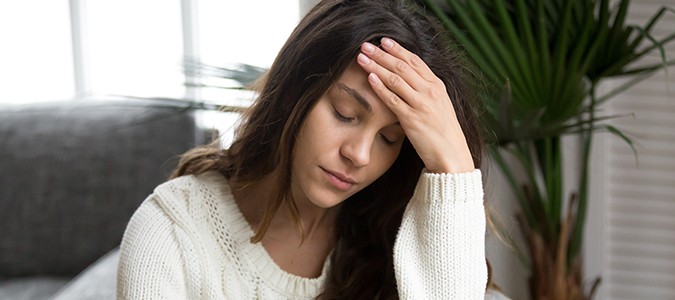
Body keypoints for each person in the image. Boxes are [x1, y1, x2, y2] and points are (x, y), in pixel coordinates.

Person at [117, 0, 493, 298]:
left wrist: (454, 167)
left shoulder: (394, 237)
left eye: (389, 139)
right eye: (345, 114)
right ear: (293, 90)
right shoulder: (171, 233)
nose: (359, 155)